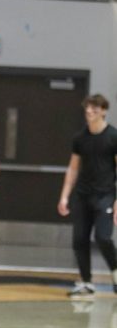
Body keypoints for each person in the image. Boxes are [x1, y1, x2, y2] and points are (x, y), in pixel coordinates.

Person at [56, 94, 117, 298]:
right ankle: (86, 282)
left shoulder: (113, 137)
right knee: (79, 239)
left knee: (103, 237)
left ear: (104, 110)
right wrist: (65, 196)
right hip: (83, 195)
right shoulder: (80, 138)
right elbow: (73, 168)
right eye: (87, 108)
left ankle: (115, 272)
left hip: (106, 195)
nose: (90, 112)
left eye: (95, 108)